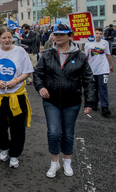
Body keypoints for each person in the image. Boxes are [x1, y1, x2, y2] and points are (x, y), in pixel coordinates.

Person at [33, 23, 95, 178]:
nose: (58, 37)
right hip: (51, 100)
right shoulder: (47, 54)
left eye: (61, 34)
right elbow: (38, 74)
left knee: (68, 133)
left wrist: (89, 102)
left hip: (72, 101)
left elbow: (88, 80)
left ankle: (67, 161)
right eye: (56, 34)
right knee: (54, 133)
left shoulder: (80, 56)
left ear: (69, 36)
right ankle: (55, 162)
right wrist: (40, 87)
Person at [0, 26, 33, 169]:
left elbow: (27, 71)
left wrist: (16, 81)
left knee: (18, 128)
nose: (7, 40)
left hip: (17, 96)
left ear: (13, 38)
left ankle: (15, 155)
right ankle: (4, 147)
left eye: (9, 37)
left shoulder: (20, 51)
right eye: (4, 37)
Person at [85, 27, 114, 117]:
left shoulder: (105, 43)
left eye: (100, 34)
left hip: (103, 69)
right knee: (94, 88)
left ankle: (105, 107)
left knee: (103, 88)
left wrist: (111, 65)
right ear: (94, 34)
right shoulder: (88, 44)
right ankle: (94, 103)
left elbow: (108, 54)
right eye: (97, 33)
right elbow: (85, 57)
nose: (99, 35)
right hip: (92, 69)